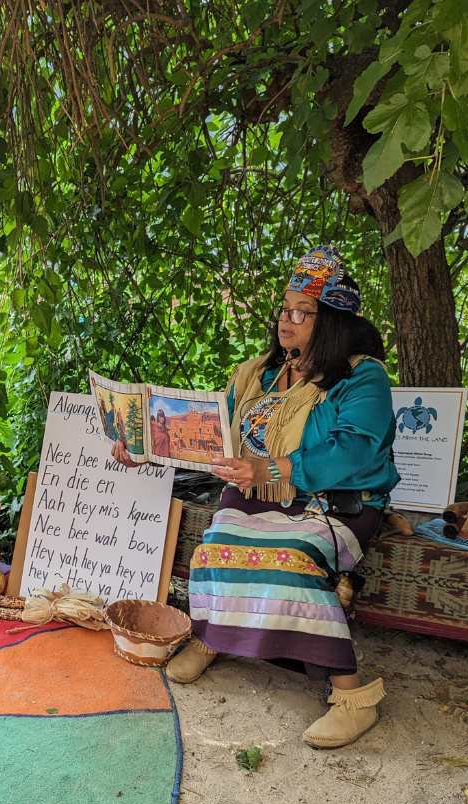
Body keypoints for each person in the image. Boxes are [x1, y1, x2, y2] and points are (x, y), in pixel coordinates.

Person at [114, 245, 399, 749]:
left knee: (290, 559)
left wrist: (273, 466)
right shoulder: (260, 371)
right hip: (255, 491)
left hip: (333, 503)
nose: (285, 322)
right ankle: (213, 636)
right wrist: (146, 448)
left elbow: (355, 450)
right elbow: (207, 432)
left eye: (301, 313)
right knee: (214, 545)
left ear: (331, 321)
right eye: (284, 309)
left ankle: (353, 694)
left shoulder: (362, 376)